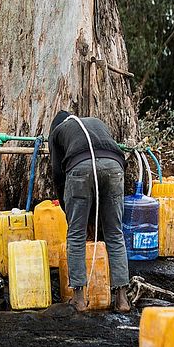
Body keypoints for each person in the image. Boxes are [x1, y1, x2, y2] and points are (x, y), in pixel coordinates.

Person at [48, 111, 131, 312]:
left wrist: (69, 212)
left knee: (76, 235)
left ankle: (78, 299)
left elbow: (58, 175)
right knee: (115, 233)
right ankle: (122, 299)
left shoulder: (57, 132)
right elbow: (111, 159)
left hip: (80, 169)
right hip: (115, 167)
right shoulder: (97, 122)